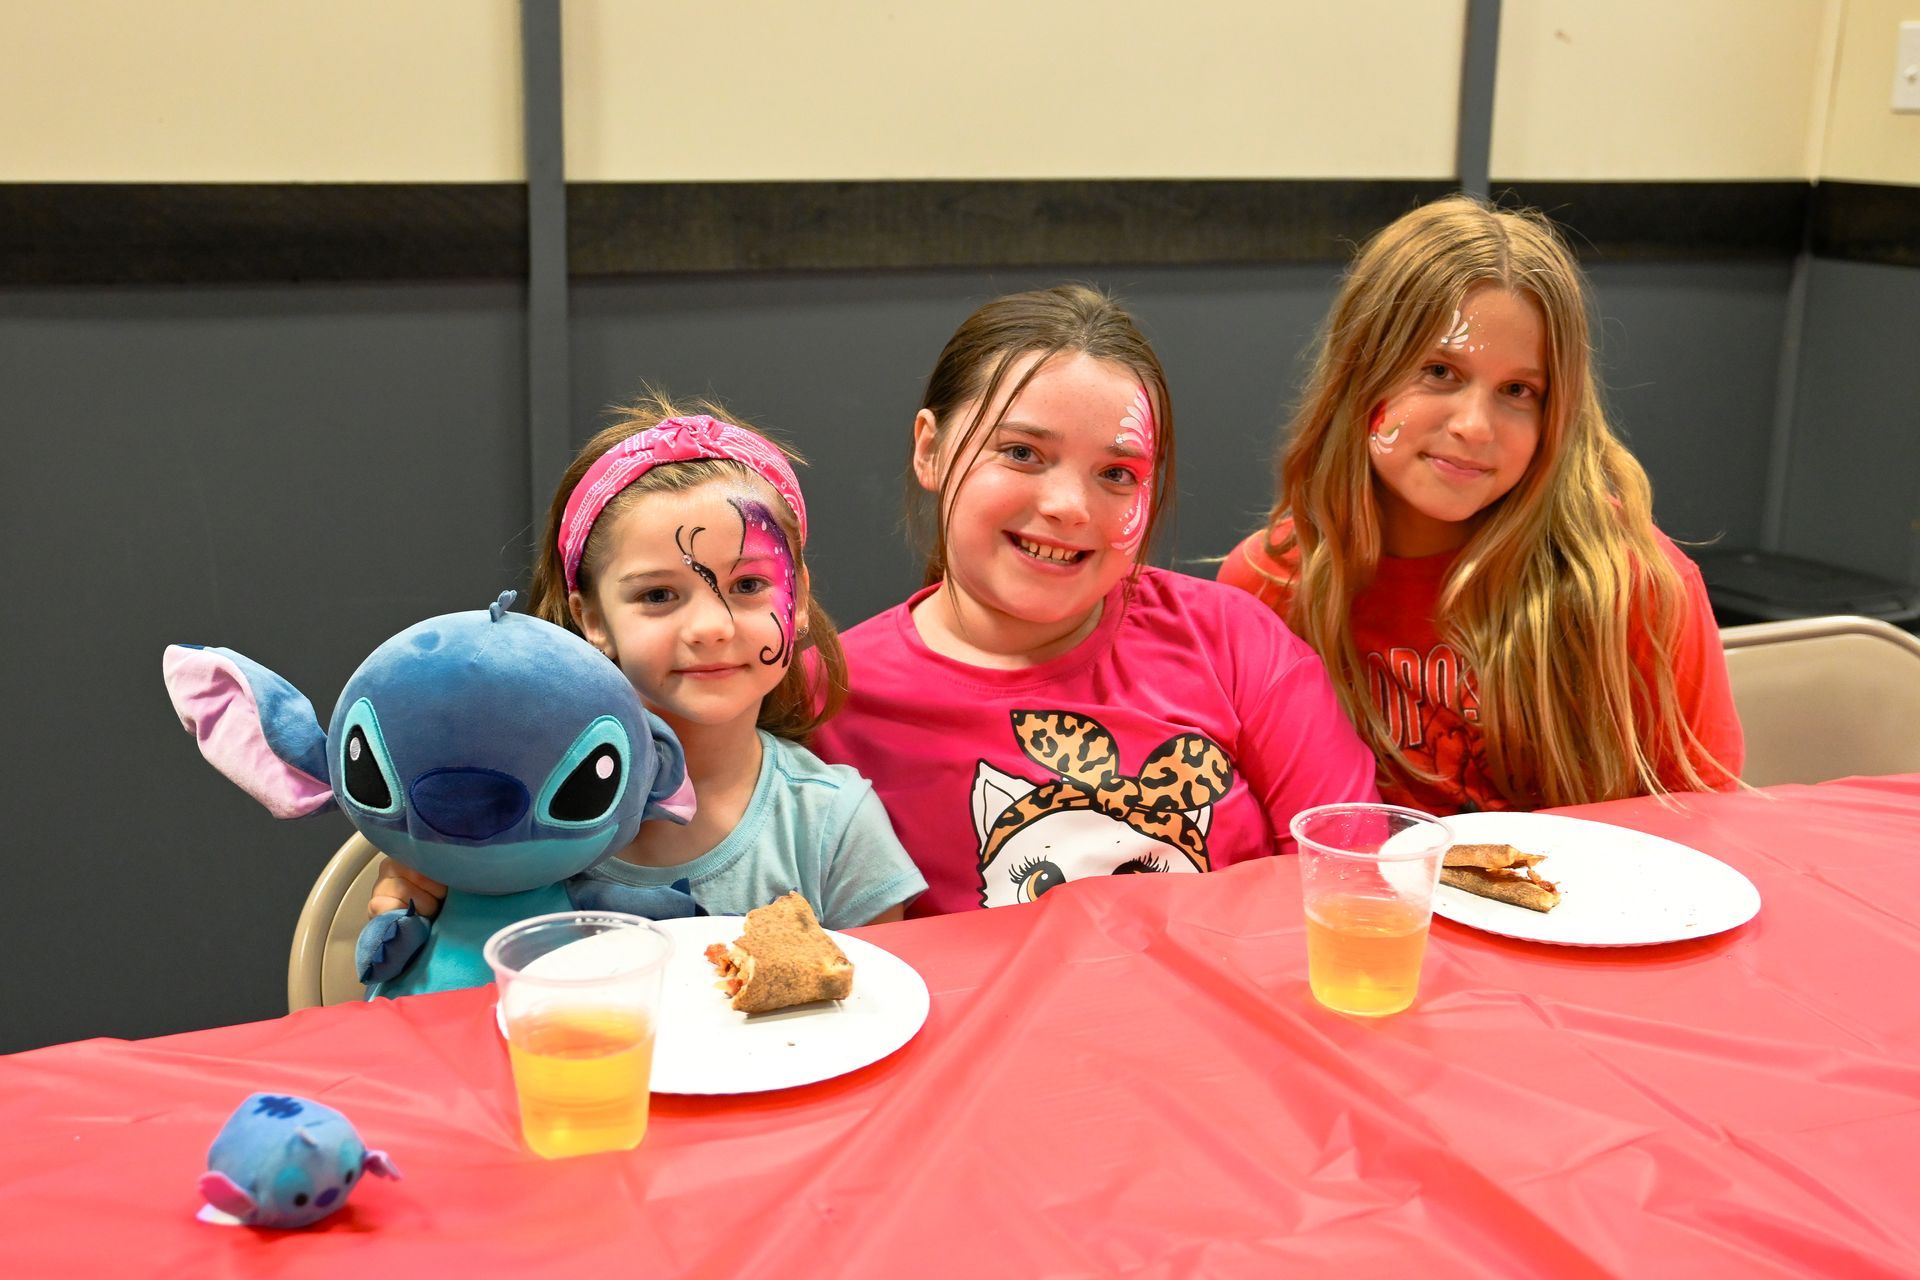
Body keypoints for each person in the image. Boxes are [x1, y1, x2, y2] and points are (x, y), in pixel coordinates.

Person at [810, 284, 1380, 916]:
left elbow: (1355, 888)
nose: (1069, 507)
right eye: (1022, 453)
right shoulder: (823, 699)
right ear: (930, 449)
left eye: (1116, 474)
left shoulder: (1234, 640)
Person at [1218, 195, 1743, 815]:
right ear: (1359, 378)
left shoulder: (1633, 586)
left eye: (1518, 390)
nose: (1474, 425)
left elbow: (1705, 829)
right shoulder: (1270, 586)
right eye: (1439, 372)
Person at [371, 397, 926, 927]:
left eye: (750, 584)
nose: (711, 628)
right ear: (591, 618)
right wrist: (433, 879)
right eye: (658, 595)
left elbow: (874, 1009)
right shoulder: (505, 807)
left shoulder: (835, 826)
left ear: (798, 598)